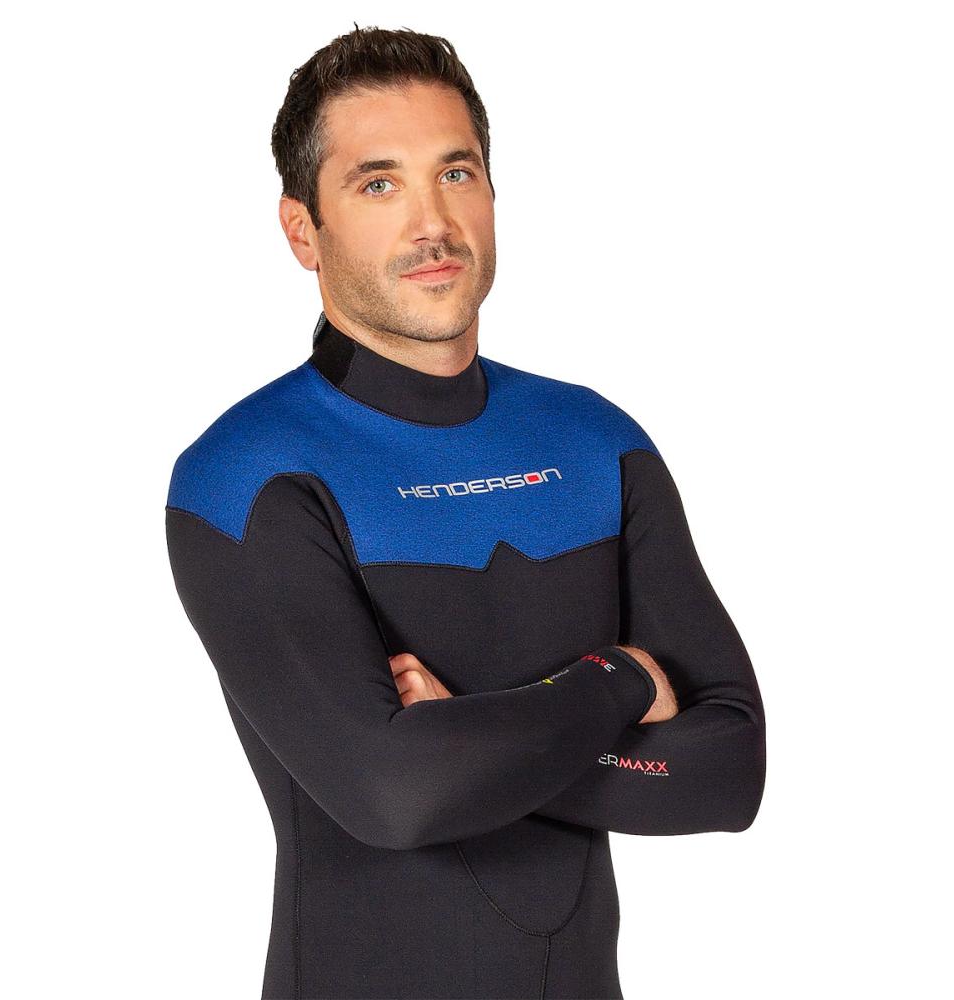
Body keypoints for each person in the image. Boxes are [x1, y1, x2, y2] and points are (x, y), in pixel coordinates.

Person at [165, 24, 766, 1000]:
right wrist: (617, 678)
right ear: (302, 230)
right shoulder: (248, 477)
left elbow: (729, 771)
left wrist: (472, 746)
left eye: (456, 173)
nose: (432, 221)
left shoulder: (596, 442)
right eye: (378, 184)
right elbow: (395, 794)